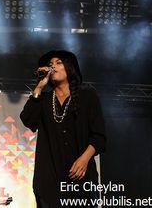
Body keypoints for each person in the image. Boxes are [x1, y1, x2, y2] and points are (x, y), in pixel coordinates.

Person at [20, 50, 106, 208]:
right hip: (49, 182)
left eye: (58, 63)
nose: (53, 67)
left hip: (81, 178)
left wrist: (84, 159)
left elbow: (99, 136)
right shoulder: (44, 100)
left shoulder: (87, 96)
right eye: (50, 64)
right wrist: (39, 87)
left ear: (69, 68)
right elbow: (27, 119)